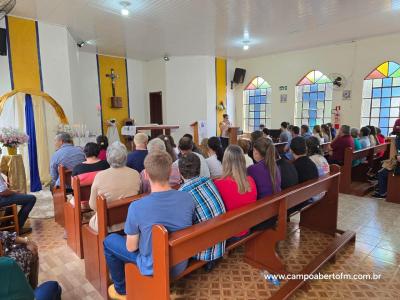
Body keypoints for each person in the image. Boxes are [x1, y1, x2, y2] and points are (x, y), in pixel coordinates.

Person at [103, 151, 194, 298]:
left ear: (145, 175)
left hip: (153, 267)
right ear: (170, 172)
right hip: (179, 264)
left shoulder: (136, 206)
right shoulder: (187, 198)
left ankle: (121, 290)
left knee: (109, 241)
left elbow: (131, 247)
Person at [178, 153, 226, 265]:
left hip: (204, 251)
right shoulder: (208, 181)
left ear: (180, 172)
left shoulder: (182, 193)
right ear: (199, 168)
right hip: (220, 243)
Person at [88, 142, 141, 233]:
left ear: (108, 156)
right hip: (131, 221)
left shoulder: (100, 176)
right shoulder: (135, 173)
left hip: (107, 225)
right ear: (125, 157)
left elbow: (93, 205)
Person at [214, 145, 257, 238]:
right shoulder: (250, 180)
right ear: (242, 161)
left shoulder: (218, 184)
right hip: (248, 226)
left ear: (225, 162)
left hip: (229, 231)